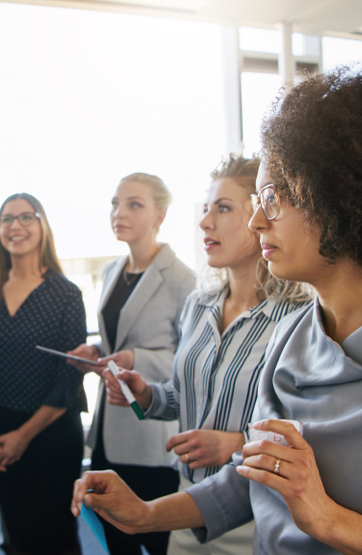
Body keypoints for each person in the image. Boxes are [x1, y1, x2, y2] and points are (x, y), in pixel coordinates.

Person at [72, 65, 362, 555]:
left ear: (340, 196)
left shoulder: (279, 324)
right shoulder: (294, 338)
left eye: (272, 197)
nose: (257, 218)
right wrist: (146, 515)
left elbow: (283, 488)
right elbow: (250, 480)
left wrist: (332, 522)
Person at [87, 157, 311, 555]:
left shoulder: (296, 318)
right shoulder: (199, 304)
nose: (205, 222)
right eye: (206, 209)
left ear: (262, 215)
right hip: (187, 500)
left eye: (222, 208)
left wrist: (236, 443)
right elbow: (184, 394)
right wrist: (148, 396)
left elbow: (310, 431)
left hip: (260, 509)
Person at [68, 172, 195, 555]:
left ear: (160, 215)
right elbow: (114, 341)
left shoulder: (182, 279)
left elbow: (191, 362)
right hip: (109, 429)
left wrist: (136, 360)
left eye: (133, 204)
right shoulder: (111, 271)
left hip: (151, 437)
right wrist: (95, 356)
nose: (118, 212)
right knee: (115, 542)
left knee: (155, 541)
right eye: (115, 203)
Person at [0, 193, 87, 555]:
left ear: (42, 226)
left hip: (51, 433)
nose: (15, 226)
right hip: (0, 432)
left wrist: (23, 435)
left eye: (26, 217)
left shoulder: (66, 294)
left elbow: (69, 380)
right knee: (17, 532)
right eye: (6, 219)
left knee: (55, 535)